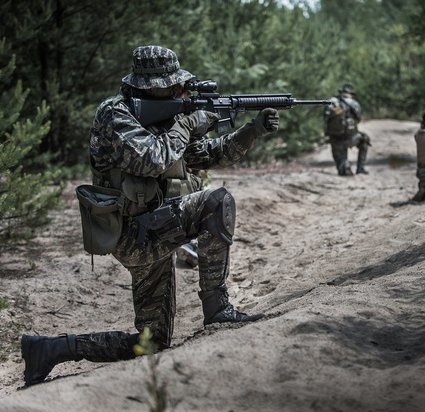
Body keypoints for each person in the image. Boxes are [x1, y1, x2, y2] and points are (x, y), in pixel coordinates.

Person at [20, 45, 279, 386]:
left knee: (151, 342)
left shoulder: (167, 119)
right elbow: (153, 159)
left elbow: (208, 156)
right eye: (171, 86)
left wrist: (252, 131)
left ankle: (51, 350)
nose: (178, 91)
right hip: (131, 234)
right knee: (218, 200)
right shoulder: (115, 115)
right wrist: (187, 122)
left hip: (155, 226)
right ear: (148, 86)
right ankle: (218, 310)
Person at [323, 83, 371, 176]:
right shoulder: (354, 103)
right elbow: (359, 119)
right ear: (351, 94)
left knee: (337, 152)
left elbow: (326, 118)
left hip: (335, 136)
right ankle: (360, 168)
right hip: (350, 136)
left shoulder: (331, 102)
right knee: (365, 139)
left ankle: (343, 166)